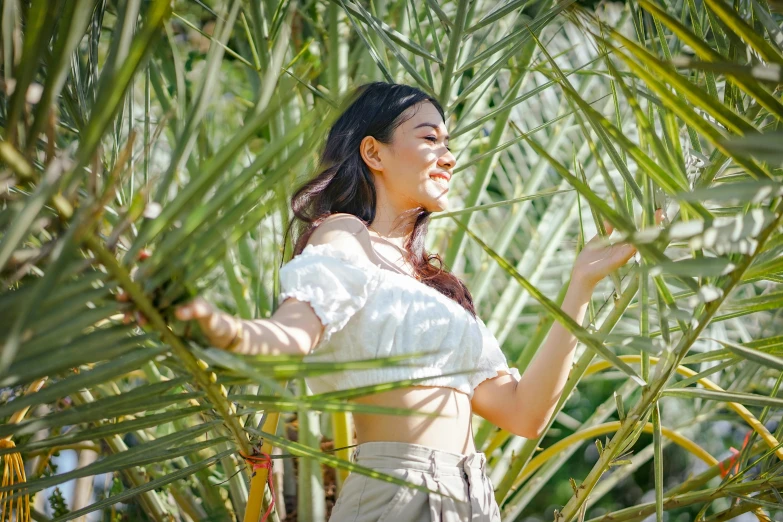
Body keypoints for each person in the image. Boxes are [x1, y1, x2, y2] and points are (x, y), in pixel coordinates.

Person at [171, 82, 664, 521]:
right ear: (374, 152)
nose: (448, 155)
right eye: (430, 138)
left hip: (474, 500)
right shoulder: (345, 237)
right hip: (397, 496)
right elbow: (289, 335)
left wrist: (582, 284)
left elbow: (524, 413)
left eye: (448, 143)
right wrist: (216, 326)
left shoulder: (439, 285)